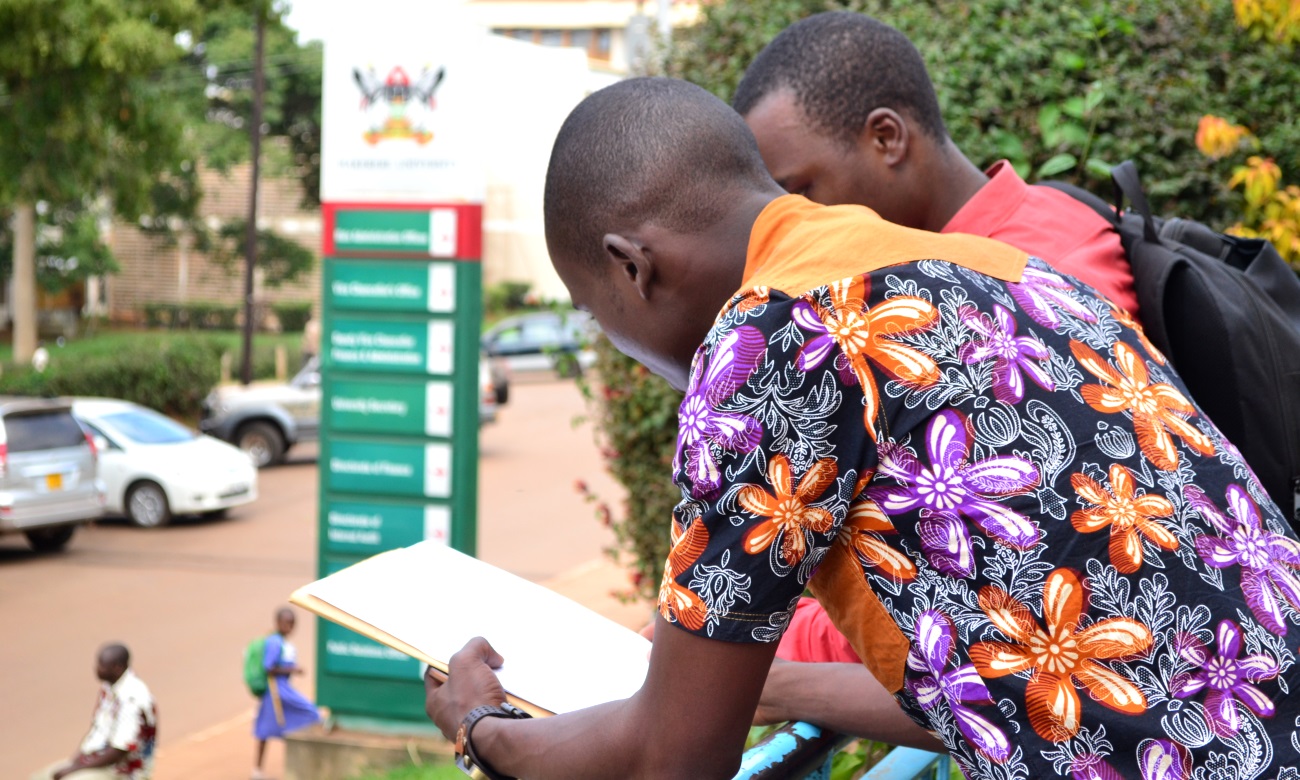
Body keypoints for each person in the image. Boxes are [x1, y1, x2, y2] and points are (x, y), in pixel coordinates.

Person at [423, 77, 1300, 779]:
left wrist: (482, 727)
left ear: (630, 266)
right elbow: (1020, 669)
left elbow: (675, 756)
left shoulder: (772, 333)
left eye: (595, 315)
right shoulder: (997, 263)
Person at [733, 11, 1138, 315]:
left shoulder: (1045, 280)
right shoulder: (941, 269)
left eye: (802, 191)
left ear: (886, 138)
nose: (796, 223)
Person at [32, 643, 158, 780]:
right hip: (99, 762)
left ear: (117, 668)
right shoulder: (110, 688)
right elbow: (97, 734)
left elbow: (119, 750)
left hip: (125, 770)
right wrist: (75, 762)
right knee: (40, 777)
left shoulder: (131, 698)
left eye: (102, 665)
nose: (96, 668)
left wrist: (76, 769)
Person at [252, 607, 320, 780]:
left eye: (292, 624)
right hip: (277, 690)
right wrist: (293, 669)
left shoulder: (283, 642)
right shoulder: (275, 642)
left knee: (275, 727)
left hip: (281, 690)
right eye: (286, 623)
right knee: (309, 713)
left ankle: (270, 769)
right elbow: (269, 667)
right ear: (278, 623)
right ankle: (257, 771)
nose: (289, 627)